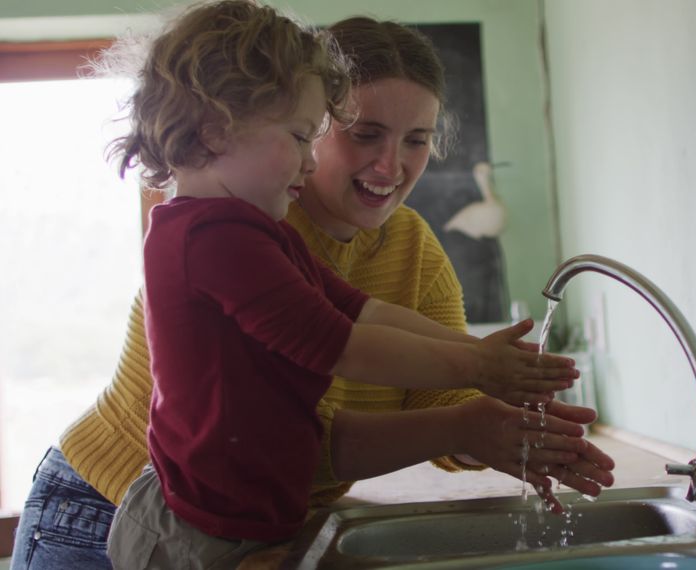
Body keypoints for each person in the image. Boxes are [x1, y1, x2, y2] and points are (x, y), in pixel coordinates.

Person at [10, 6, 615, 570]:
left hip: (242, 521)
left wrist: (514, 414)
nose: (391, 166)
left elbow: (430, 392)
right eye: (364, 133)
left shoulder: (407, 247)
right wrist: (475, 394)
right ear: (310, 126)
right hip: (111, 511)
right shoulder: (234, 231)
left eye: (416, 140)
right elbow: (312, 425)